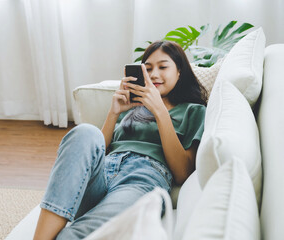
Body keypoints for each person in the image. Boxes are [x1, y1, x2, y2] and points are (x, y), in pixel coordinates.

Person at [33, 40, 207, 240]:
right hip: (104, 172)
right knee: (86, 132)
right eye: (147, 69)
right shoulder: (134, 109)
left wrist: (160, 111)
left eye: (163, 67)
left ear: (179, 72)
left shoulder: (194, 111)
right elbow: (99, 150)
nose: (154, 74)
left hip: (143, 176)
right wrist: (114, 112)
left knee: (81, 233)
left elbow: (182, 173)